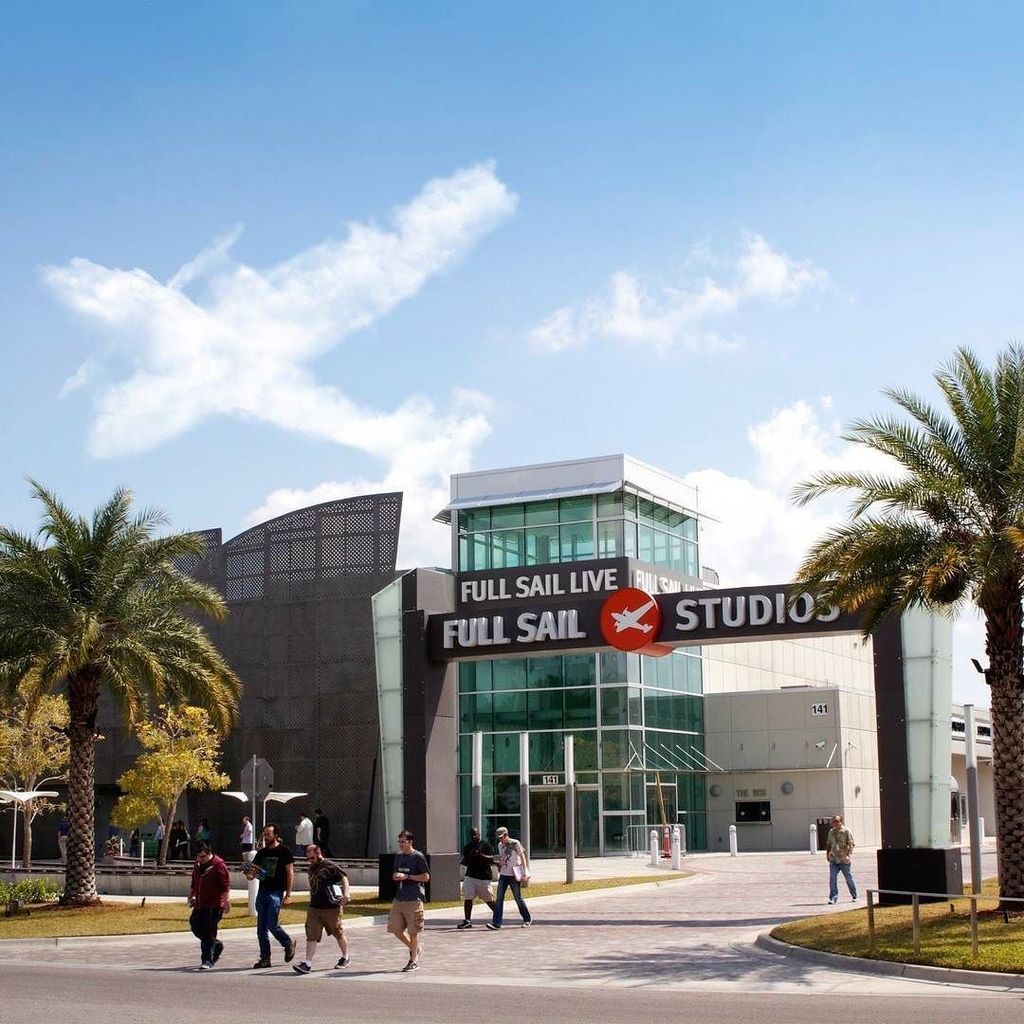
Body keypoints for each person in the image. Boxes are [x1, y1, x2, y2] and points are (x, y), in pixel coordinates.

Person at [292, 844, 350, 974]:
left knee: (338, 933)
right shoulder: (311, 867)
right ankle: (307, 963)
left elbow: (344, 878)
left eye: (312, 856)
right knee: (311, 934)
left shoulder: (329, 865)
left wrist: (346, 894)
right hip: (314, 907)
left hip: (331, 908)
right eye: (308, 857)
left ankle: (345, 957)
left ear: (318, 853)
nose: (310, 859)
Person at [244, 823, 296, 968]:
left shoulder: (284, 851)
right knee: (261, 929)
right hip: (263, 891)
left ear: (276, 835)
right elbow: (253, 871)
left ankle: (288, 943)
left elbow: (290, 872)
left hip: (276, 892)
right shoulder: (262, 853)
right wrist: (249, 874)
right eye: (264, 834)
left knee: (272, 924)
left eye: (268, 834)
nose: (266, 837)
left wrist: (288, 894)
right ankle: (265, 958)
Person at [389, 829, 430, 972]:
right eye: (399, 842)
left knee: (413, 931)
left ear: (410, 842)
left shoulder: (418, 856)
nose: (400, 844)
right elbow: (395, 873)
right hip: (400, 898)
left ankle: (413, 961)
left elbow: (426, 877)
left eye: (403, 842)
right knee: (395, 929)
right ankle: (415, 949)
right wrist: (396, 876)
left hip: (414, 898)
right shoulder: (399, 856)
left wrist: (407, 877)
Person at [188, 841, 230, 970]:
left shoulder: (218, 865)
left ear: (209, 853)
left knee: (208, 931)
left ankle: (207, 960)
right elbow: (194, 882)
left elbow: (225, 886)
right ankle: (215, 944)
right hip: (200, 903)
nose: (200, 859)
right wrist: (191, 895)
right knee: (195, 925)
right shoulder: (197, 865)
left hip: (214, 904)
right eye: (198, 857)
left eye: (203, 857)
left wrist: (226, 902)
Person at [487, 826, 531, 929]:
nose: (500, 839)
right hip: (504, 874)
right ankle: (496, 923)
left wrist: (525, 870)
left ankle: (527, 919)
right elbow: (502, 857)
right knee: (499, 898)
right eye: (499, 838)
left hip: (514, 874)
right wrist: (500, 862)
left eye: (501, 837)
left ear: (506, 835)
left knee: (518, 898)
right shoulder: (500, 845)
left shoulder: (515, 843)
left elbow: (522, 857)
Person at [457, 825, 497, 929]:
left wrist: (480, 855)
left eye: (475, 834)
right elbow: (465, 861)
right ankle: (467, 921)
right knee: (468, 897)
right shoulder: (468, 847)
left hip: (484, 877)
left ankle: (498, 916)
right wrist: (465, 861)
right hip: (470, 876)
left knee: (489, 899)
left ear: (479, 834)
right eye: (472, 835)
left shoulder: (486, 845)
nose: (474, 836)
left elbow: (491, 859)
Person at [825, 813, 858, 904]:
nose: (835, 823)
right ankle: (833, 897)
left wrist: (848, 855)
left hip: (843, 859)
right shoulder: (831, 832)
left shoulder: (846, 831)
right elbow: (829, 844)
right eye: (833, 821)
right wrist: (827, 854)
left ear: (841, 822)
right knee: (833, 878)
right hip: (834, 859)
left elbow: (851, 844)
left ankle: (854, 895)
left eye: (837, 821)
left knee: (848, 878)